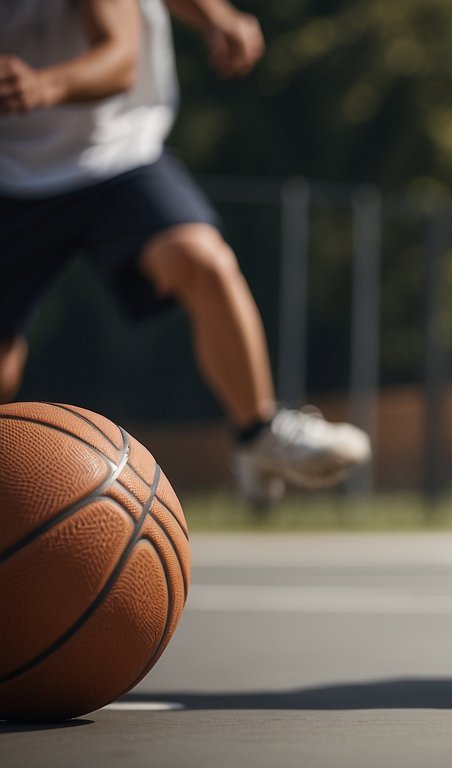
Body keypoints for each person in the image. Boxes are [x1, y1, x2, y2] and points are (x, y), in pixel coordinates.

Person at [0, 0, 370, 505]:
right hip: (9, 174)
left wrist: (43, 85)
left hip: (115, 154)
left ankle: (258, 432)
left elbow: (120, 58)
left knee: (201, 258)